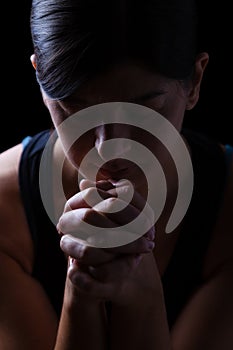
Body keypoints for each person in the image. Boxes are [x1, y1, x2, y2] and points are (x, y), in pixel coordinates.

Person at [0, 0, 232, 349]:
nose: (109, 147)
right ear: (40, 82)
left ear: (195, 82)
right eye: (75, 108)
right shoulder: (4, 212)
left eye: (145, 108)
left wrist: (142, 296)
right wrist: (80, 293)